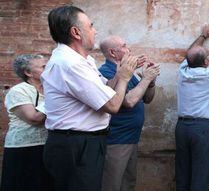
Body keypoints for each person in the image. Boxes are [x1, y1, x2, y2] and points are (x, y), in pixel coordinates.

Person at [42, 5, 141, 191]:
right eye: (91, 25)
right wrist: (125, 77)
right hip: (75, 145)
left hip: (86, 142)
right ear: (76, 32)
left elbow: (104, 91)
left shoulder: (83, 60)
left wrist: (120, 73)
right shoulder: (70, 64)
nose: (95, 31)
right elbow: (112, 104)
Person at [98, 35, 160, 191]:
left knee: (128, 182)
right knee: (112, 184)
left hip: (131, 138)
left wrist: (150, 83)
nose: (129, 49)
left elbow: (146, 99)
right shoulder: (106, 72)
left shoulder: (128, 72)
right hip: (116, 140)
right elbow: (128, 101)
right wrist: (145, 80)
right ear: (113, 53)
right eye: (125, 46)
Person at [175, 24, 209, 191]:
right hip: (203, 129)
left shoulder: (183, 72)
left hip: (182, 127)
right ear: (206, 62)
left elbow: (189, 54)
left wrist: (202, 37)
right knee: (202, 173)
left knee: (182, 172)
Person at [1, 54, 53, 191]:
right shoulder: (18, 91)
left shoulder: (50, 89)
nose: (49, 69)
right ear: (28, 72)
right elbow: (34, 118)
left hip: (47, 147)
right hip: (23, 149)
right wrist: (56, 98)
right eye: (43, 67)